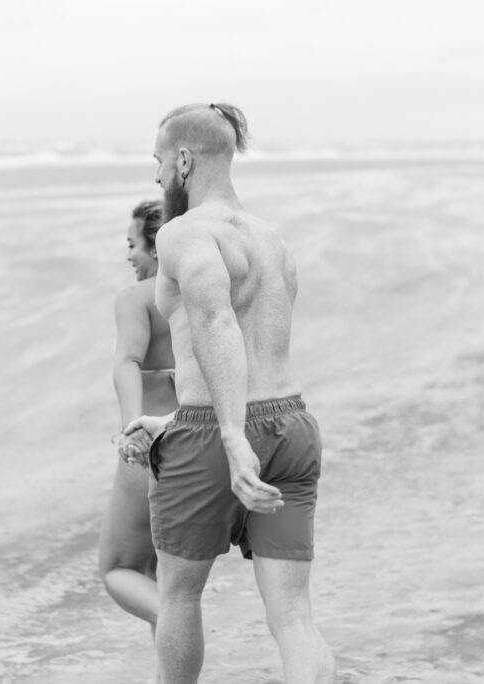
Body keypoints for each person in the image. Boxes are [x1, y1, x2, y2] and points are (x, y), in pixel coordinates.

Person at [124, 103, 335, 683]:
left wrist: (229, 435)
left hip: (216, 432)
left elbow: (215, 321)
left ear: (184, 160)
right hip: (292, 426)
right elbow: (256, 348)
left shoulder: (183, 234)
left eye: (160, 162)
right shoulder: (273, 240)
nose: (157, 176)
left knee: (179, 596)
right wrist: (182, 425)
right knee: (293, 615)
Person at [98, 200, 177, 632]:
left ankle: (178, 624)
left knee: (121, 568)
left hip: (153, 442)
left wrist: (133, 431)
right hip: (204, 433)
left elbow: (126, 361)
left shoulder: (136, 298)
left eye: (133, 244)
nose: (129, 255)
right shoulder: (209, 290)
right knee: (168, 577)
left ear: (157, 248)